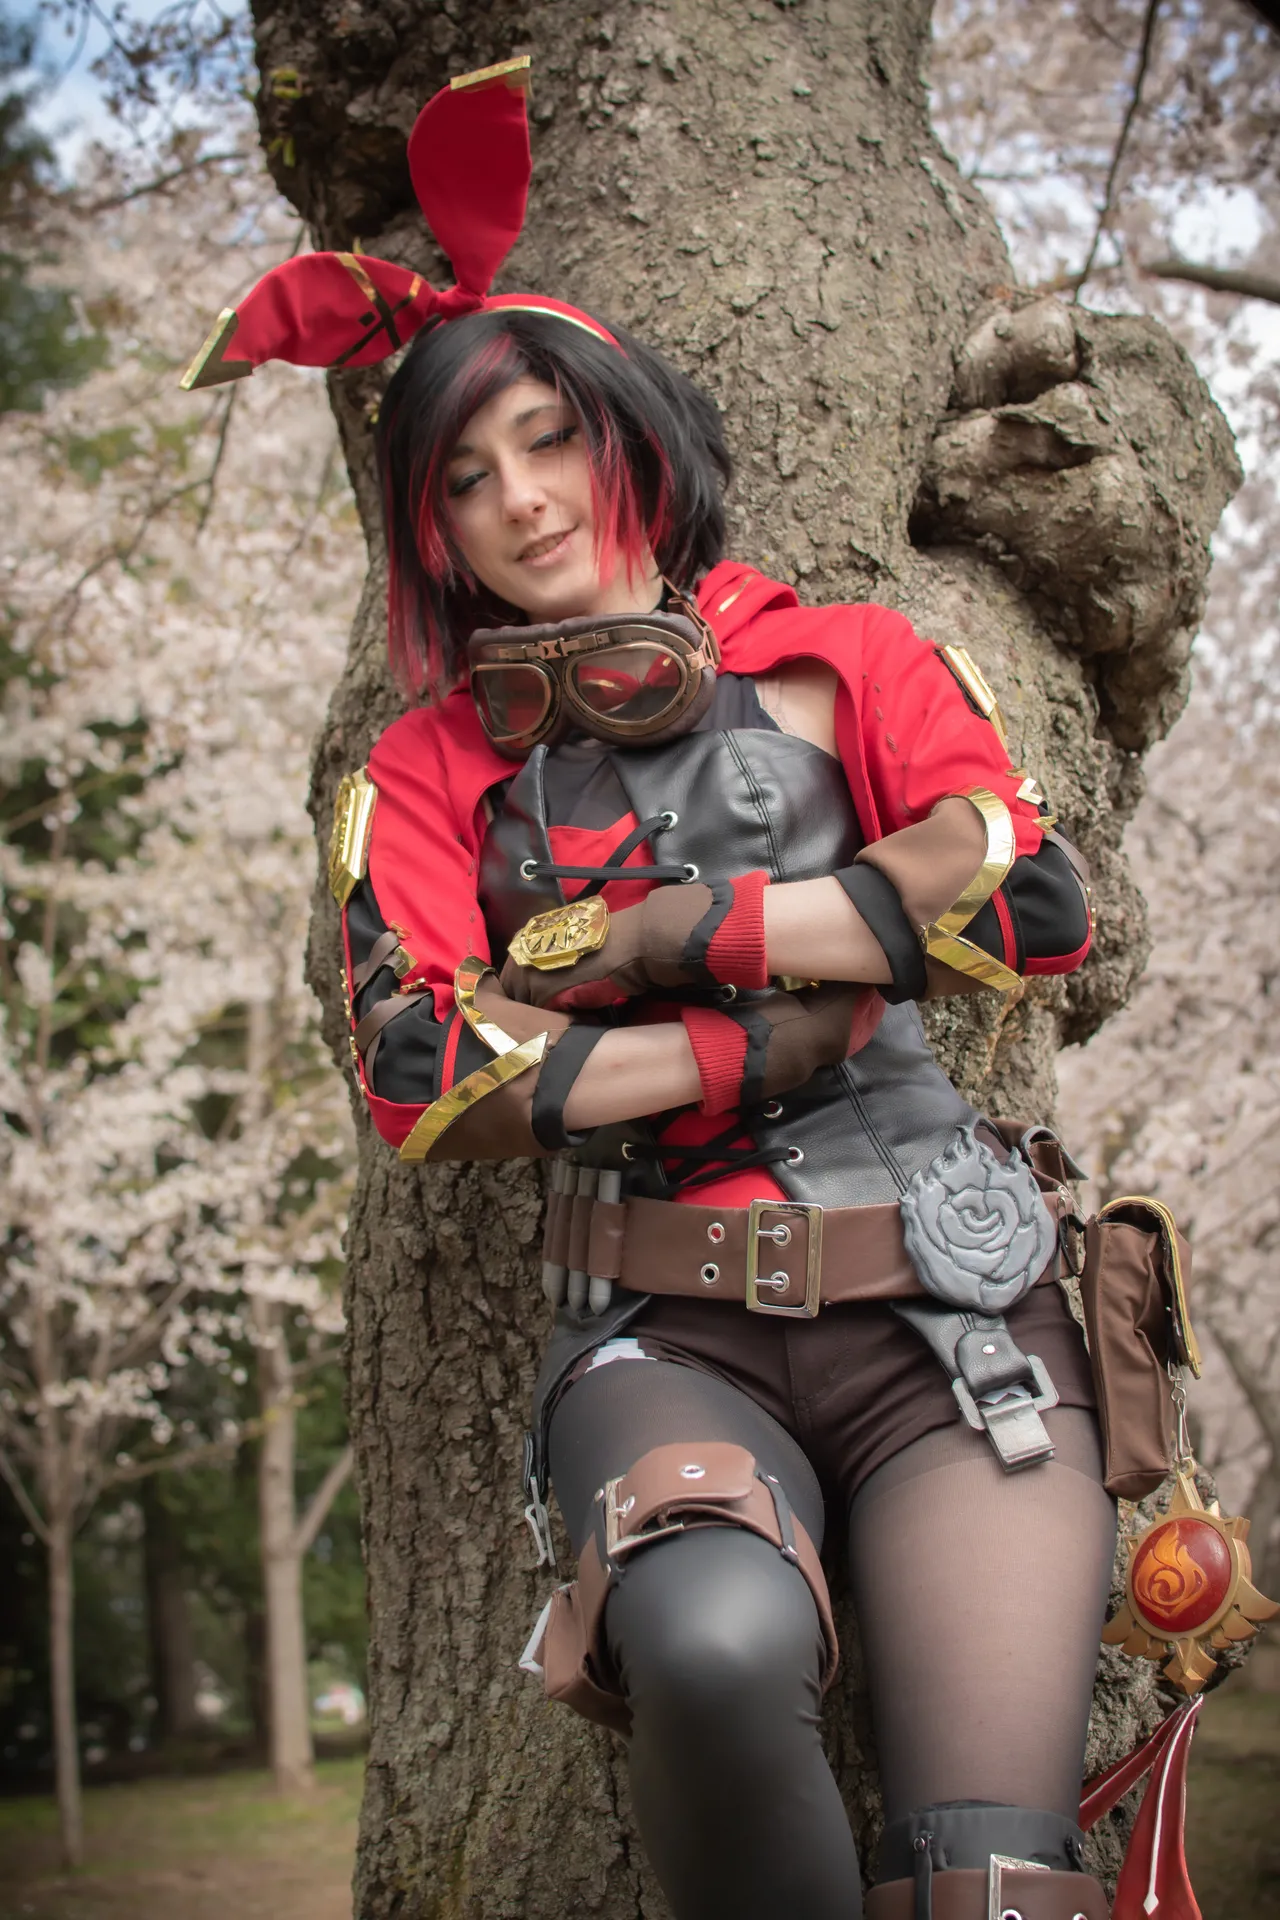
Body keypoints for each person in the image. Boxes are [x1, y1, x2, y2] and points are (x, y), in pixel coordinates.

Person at [183, 62, 1116, 1920]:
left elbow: (1027, 898)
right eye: (464, 478)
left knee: (999, 1881)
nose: (522, 501)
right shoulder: (428, 770)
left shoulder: (850, 660)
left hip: (957, 1307)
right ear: (430, 532)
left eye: (548, 440)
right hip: (659, 1333)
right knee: (704, 1642)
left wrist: (689, 942)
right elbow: (426, 1071)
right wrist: (760, 1019)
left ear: (630, 437)